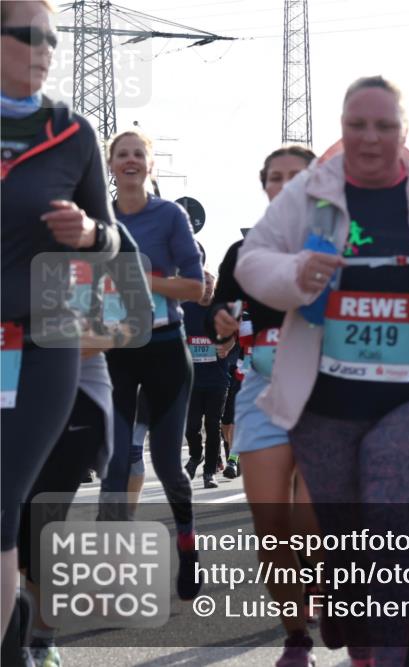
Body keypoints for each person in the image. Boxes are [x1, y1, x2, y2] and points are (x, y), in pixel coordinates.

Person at [234, 76, 409, 667]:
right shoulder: (309, 194)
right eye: (357, 124)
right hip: (323, 403)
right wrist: (295, 274)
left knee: (390, 531)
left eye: (384, 126)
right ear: (340, 127)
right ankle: (353, 632)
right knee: (343, 547)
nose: (369, 138)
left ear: (405, 131)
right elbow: (252, 260)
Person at [0, 0, 122, 644]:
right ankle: (18, 624)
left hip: (43, 339)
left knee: (5, 500)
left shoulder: (73, 134)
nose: (44, 47)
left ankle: (21, 638)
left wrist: (89, 231)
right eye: (27, 34)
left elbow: (112, 240)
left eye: (52, 36)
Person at [15, 222, 151, 667]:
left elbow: (124, 326)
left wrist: (67, 343)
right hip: (9, 404)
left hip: (77, 403)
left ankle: (42, 639)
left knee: (42, 521)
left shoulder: (86, 264)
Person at [210, 143, 323, 667]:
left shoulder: (345, 242)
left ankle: (324, 588)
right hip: (263, 388)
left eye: (295, 177)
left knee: (311, 518)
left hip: (329, 391)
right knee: (271, 522)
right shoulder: (244, 251)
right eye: (274, 178)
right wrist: (224, 321)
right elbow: (223, 308)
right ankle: (296, 635)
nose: (283, 185)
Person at [97, 128, 205, 601]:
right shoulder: (95, 220)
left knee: (166, 464)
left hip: (165, 349)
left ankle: (188, 546)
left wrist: (146, 279)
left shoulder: (170, 216)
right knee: (116, 463)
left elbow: (196, 288)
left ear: (150, 164)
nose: (130, 160)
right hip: (116, 351)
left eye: (139, 154)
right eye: (122, 154)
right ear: (111, 165)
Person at [182, 271, 237, 488]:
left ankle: (209, 473)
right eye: (202, 283)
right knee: (191, 427)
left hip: (217, 378)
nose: (206, 287)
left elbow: (235, 335)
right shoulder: (186, 309)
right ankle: (197, 456)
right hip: (193, 378)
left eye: (209, 283)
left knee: (213, 425)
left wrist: (227, 347)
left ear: (214, 286)